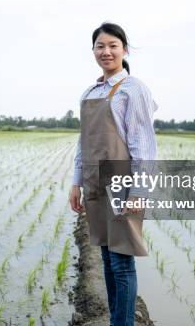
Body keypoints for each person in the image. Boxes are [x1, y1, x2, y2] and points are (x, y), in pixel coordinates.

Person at [69, 22, 158, 326]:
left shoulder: (134, 89)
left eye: (112, 46)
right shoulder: (89, 91)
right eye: (100, 46)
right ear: (93, 51)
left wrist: (139, 192)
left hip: (123, 184)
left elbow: (144, 145)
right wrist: (76, 182)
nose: (106, 52)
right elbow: (84, 142)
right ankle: (115, 321)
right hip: (96, 183)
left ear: (124, 50)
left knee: (121, 261)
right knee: (107, 258)